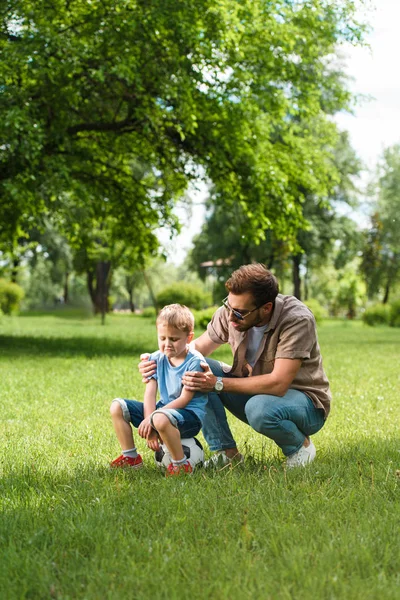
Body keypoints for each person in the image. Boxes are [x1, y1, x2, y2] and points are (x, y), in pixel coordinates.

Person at [139, 264, 331, 469]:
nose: (230, 317)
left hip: (304, 404)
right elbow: (195, 349)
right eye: (228, 306)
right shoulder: (231, 312)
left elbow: (278, 384)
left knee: (258, 408)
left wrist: (217, 383)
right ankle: (227, 453)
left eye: (239, 313)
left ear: (266, 308)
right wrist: (158, 359)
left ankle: (300, 447)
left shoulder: (296, 319)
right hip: (257, 392)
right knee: (201, 369)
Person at [110, 304, 207, 476]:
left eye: (174, 339)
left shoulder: (194, 362)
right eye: (162, 338)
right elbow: (150, 392)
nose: (167, 344)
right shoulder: (156, 358)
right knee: (117, 406)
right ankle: (131, 458)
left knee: (161, 419)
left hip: (188, 417)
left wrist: (154, 419)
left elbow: (184, 400)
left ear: (189, 337)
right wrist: (149, 421)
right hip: (161, 413)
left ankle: (181, 465)